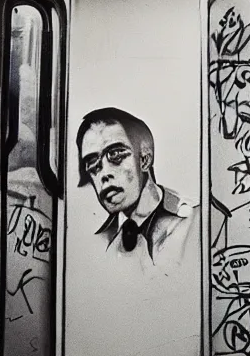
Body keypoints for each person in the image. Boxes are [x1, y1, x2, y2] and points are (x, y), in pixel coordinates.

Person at [75, 107, 198, 266]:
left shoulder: (193, 220)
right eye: (93, 164)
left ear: (145, 160)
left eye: (116, 155)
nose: (104, 174)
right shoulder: (99, 242)